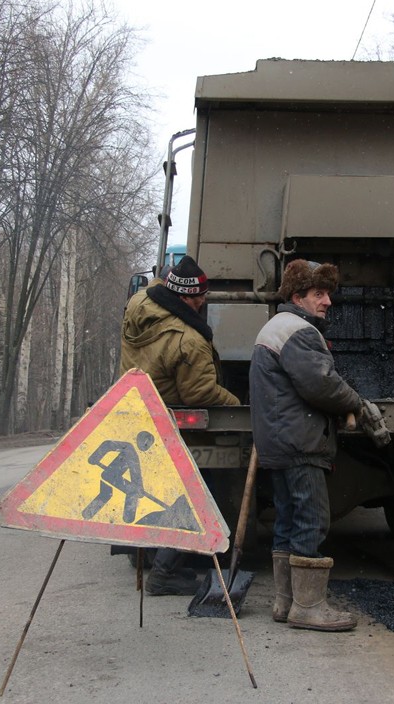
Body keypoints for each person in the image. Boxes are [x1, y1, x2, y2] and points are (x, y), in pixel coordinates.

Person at [249, 259, 364, 632]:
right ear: (297, 297)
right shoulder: (298, 331)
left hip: (280, 442)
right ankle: (309, 607)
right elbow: (321, 384)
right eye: (319, 293)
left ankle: (286, 602)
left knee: (288, 520)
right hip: (300, 442)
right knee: (312, 520)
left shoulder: (277, 326)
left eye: (327, 293)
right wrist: (356, 402)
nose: (327, 301)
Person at [121, 255, 240, 596]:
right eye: (199, 297)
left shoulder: (139, 304)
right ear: (186, 298)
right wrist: (237, 405)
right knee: (193, 493)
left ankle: (157, 558)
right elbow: (199, 392)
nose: (203, 302)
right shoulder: (189, 340)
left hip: (139, 411)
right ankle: (164, 573)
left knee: (155, 491)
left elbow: (158, 283)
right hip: (172, 424)